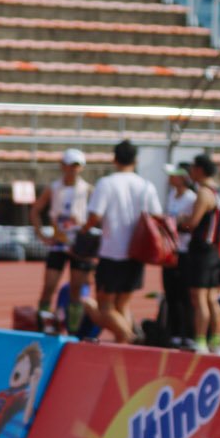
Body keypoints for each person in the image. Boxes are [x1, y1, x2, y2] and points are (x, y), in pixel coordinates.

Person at [87, 139, 161, 344]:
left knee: (104, 307)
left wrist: (84, 229)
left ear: (114, 159)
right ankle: (124, 346)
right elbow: (156, 216)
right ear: (135, 160)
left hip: (112, 251)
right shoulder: (146, 186)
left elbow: (95, 215)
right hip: (136, 253)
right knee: (123, 305)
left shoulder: (106, 183)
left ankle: (130, 337)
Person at [31, 148, 100, 336]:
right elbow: (35, 211)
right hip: (58, 244)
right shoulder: (53, 188)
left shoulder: (89, 190)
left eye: (77, 166)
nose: (73, 169)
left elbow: (98, 216)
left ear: (82, 167)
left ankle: (73, 332)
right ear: (63, 165)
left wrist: (87, 230)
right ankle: (42, 328)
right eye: (70, 165)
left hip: (79, 247)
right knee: (48, 287)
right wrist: (42, 235)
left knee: (76, 290)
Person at [176, 152, 220, 354]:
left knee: (200, 298)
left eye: (193, 169)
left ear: (200, 170)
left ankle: (200, 341)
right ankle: (216, 340)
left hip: (201, 251)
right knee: (212, 298)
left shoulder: (204, 193)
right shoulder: (219, 191)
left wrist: (181, 220)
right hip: (214, 250)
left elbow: (192, 223)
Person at [161, 163, 196, 347]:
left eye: (174, 175)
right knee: (171, 293)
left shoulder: (191, 198)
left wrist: (180, 225)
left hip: (185, 252)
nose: (170, 178)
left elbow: (191, 224)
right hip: (171, 252)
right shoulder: (171, 196)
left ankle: (188, 334)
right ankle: (174, 333)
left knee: (185, 295)